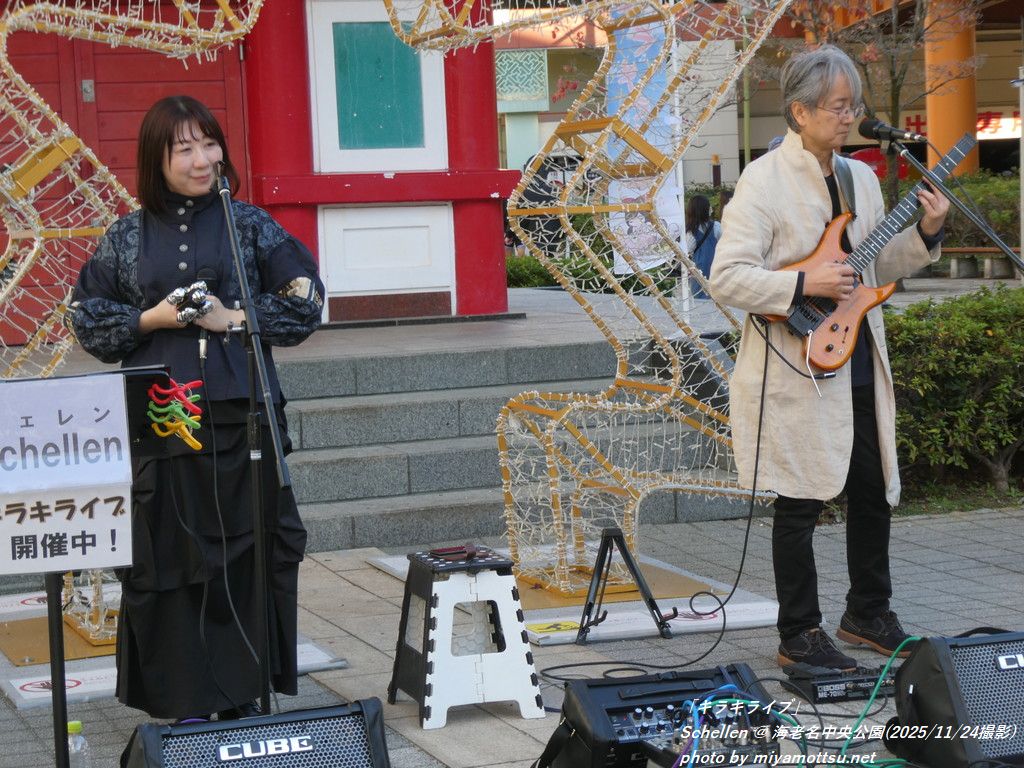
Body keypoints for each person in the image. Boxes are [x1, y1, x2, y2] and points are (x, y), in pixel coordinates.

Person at [67, 95, 324, 720]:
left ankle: (240, 692)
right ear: (156, 158)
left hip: (242, 416)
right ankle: (181, 699)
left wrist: (231, 316)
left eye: (209, 143)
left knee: (246, 551)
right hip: (161, 419)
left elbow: (306, 300)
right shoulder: (127, 235)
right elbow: (87, 317)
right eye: (184, 148)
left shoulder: (249, 224)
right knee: (169, 554)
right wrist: (153, 318)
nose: (203, 159)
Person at [709, 46, 948, 671]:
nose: (850, 118)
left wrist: (926, 234)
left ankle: (868, 612)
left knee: (872, 488)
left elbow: (874, 264)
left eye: (854, 106)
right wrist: (801, 285)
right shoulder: (763, 181)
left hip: (858, 351)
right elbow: (726, 278)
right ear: (799, 110)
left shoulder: (861, 177)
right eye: (839, 107)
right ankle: (799, 633)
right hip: (793, 363)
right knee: (799, 497)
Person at [685, 194, 721, 298]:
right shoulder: (716, 226)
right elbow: (725, 245)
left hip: (698, 271)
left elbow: (687, 251)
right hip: (716, 268)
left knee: (700, 298)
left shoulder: (690, 231)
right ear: (705, 209)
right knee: (717, 297)